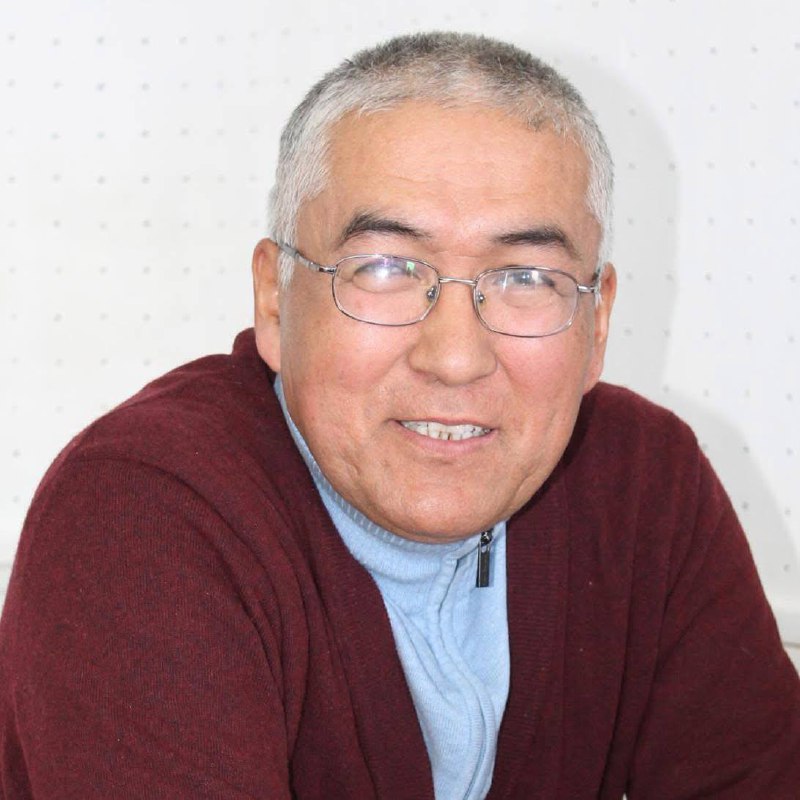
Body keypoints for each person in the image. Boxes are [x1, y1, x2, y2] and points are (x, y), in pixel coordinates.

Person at [1, 31, 798, 800]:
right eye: (385, 268)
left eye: (526, 277)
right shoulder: (143, 514)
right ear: (275, 300)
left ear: (597, 323)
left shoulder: (644, 488)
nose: (455, 357)